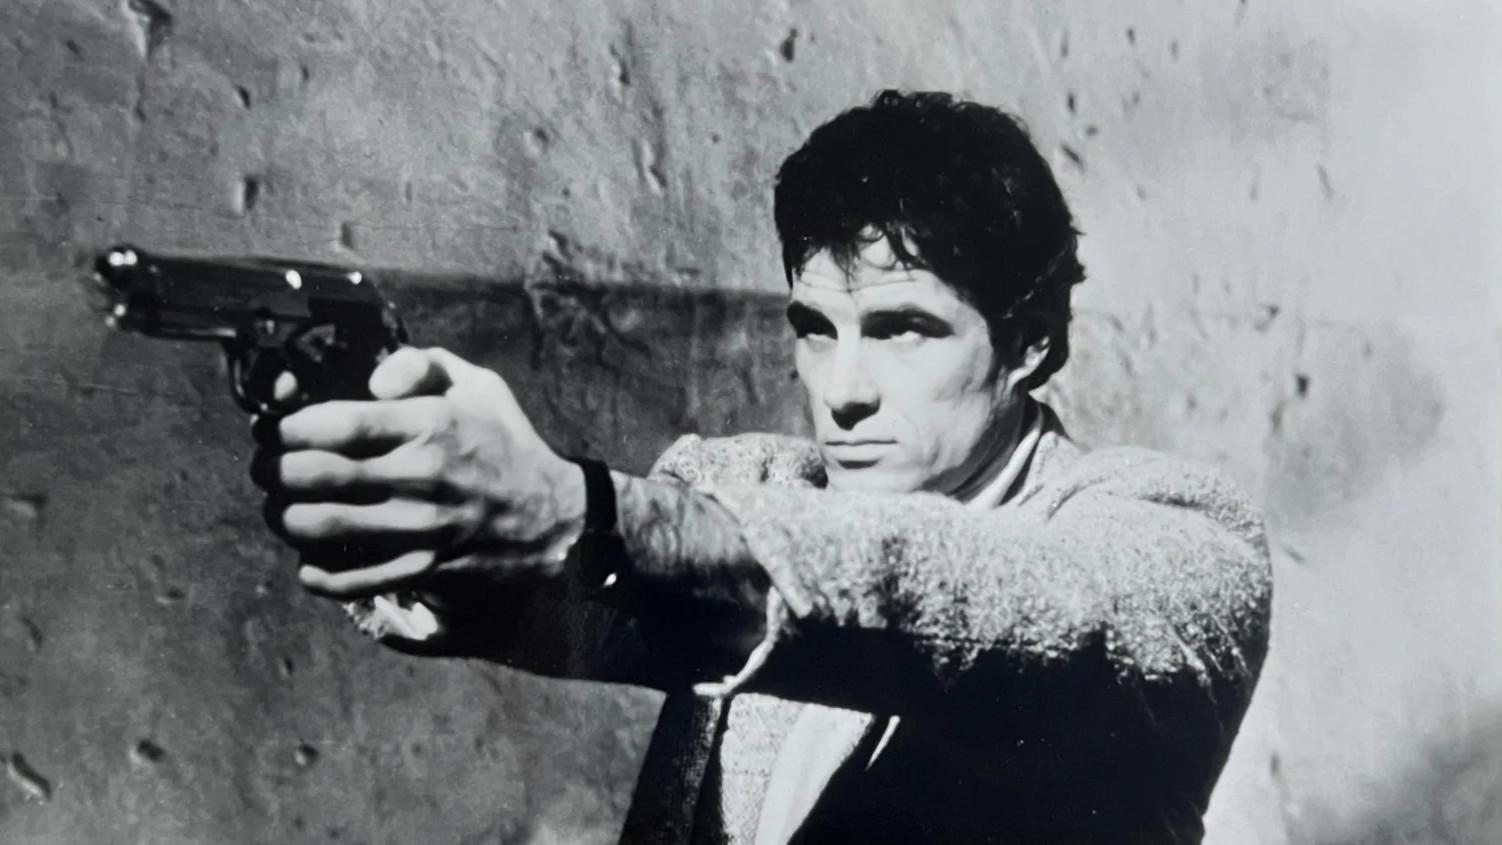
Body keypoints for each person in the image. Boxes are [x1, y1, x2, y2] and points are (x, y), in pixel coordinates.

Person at [251, 91, 1273, 844]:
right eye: (816, 328)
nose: (843, 390)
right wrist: (401, 504)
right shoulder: (748, 489)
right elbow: (567, 599)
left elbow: (980, 596)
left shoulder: (1176, 550)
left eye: (904, 330)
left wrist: (576, 508)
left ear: (1031, 341)